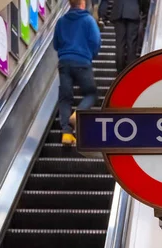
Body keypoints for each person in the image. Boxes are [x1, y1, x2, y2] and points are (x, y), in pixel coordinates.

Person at [53, 0, 101, 146]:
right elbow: (96, 41)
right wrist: (90, 55)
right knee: (91, 94)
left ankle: (66, 134)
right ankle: (78, 114)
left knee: (65, 98)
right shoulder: (88, 20)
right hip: (82, 62)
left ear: (69, 4)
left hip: (64, 63)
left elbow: (56, 44)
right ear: (83, 3)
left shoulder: (61, 21)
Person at [110, 0, 149, 74]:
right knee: (131, 44)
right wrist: (144, 10)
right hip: (132, 11)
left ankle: (120, 72)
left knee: (120, 44)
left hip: (118, 12)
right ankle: (130, 72)